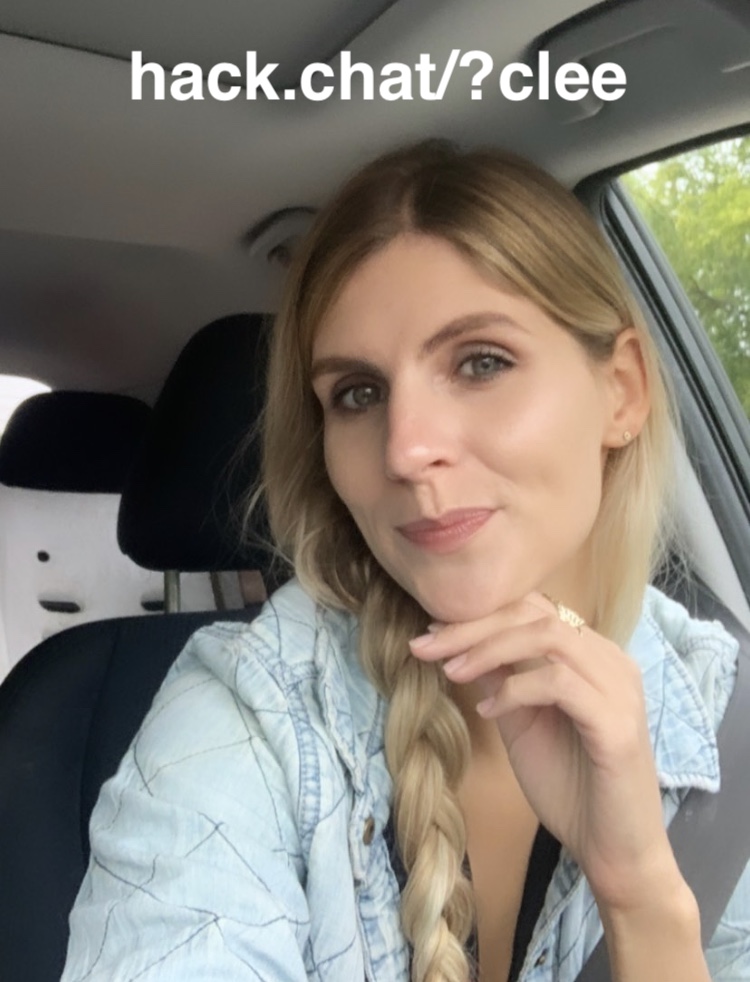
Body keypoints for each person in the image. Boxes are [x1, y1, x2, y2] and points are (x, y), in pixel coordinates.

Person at [61, 142, 749, 982]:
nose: (406, 449)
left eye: (481, 363)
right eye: (358, 394)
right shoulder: (249, 718)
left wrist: (642, 896)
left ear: (623, 390)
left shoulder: (726, 714)